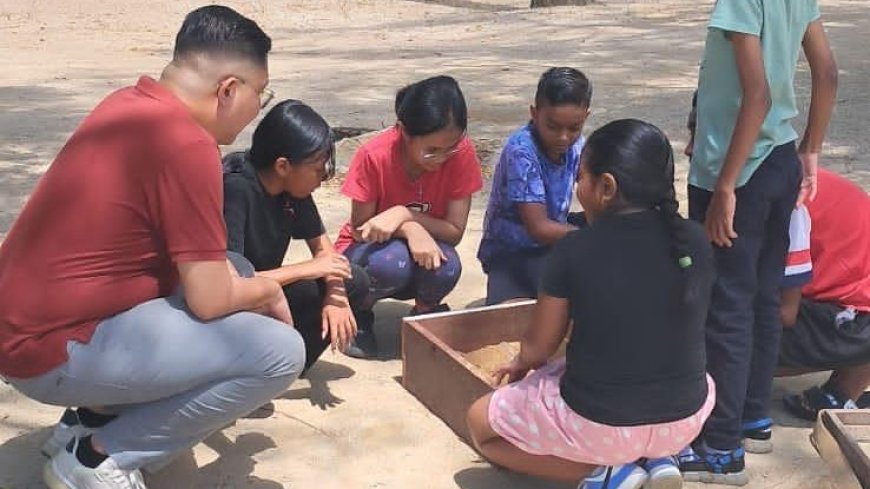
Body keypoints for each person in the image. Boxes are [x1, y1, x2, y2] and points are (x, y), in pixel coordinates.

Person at [0, 6, 305, 489]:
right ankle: (98, 460)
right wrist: (268, 293)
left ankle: (88, 421)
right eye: (259, 97)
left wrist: (251, 283)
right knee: (280, 352)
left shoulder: (128, 104)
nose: (255, 111)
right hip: (46, 351)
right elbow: (208, 302)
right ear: (228, 89)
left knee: (237, 266)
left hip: (23, 325)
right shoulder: (188, 145)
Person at [466, 119, 716, 489]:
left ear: (606, 187)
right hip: (687, 418)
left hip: (602, 424)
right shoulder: (694, 240)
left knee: (480, 425)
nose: (577, 187)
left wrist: (522, 364)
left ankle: (604, 473)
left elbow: (539, 348)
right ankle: (660, 457)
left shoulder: (574, 249)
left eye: (581, 177)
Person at [681, 0, 838, 483]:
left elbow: (759, 97)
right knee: (763, 300)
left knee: (725, 305)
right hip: (779, 160)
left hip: (737, 170)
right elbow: (828, 72)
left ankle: (721, 447)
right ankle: (753, 418)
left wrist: (726, 183)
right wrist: (810, 149)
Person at [223, 99, 376, 363]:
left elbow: (325, 252)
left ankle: (289, 364)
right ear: (283, 166)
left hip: (266, 295)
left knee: (354, 280)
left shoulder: (293, 190)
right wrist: (309, 268)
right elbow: (230, 285)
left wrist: (335, 295)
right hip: (230, 306)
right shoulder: (235, 191)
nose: (322, 178)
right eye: (317, 170)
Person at [334, 75, 483, 320]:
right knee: (391, 263)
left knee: (447, 266)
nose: (442, 158)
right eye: (431, 151)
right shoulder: (373, 155)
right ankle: (359, 310)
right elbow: (361, 230)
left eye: (451, 147)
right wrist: (411, 229)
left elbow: (454, 232)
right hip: (369, 254)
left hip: (427, 248)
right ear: (403, 132)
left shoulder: (462, 154)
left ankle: (425, 311)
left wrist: (404, 214)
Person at [477, 67, 591, 305]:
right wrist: (596, 238)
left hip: (554, 239)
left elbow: (593, 185)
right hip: (512, 251)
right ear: (534, 113)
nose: (563, 137)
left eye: (573, 128)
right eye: (553, 127)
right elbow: (538, 227)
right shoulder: (522, 151)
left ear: (585, 118)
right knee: (512, 317)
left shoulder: (578, 144)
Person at [776, 167, 870, 420]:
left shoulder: (782, 197)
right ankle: (842, 391)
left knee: (724, 336)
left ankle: (842, 392)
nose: (688, 150)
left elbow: (785, 313)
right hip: (851, 304)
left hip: (855, 316)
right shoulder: (793, 172)